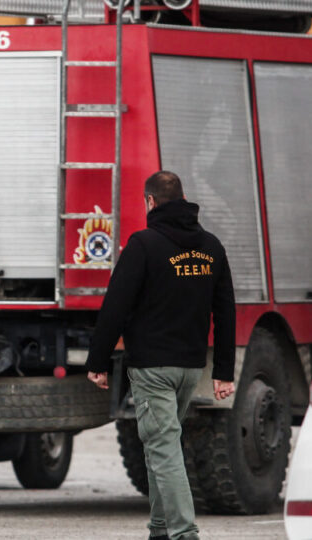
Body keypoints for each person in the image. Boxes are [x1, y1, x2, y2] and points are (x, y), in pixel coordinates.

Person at [86, 171, 236, 540]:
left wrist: (98, 361)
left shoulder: (143, 245)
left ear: (150, 202)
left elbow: (115, 307)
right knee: (162, 444)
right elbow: (225, 312)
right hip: (190, 368)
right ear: (183, 199)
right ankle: (160, 528)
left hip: (152, 367)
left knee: (164, 448)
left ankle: (184, 533)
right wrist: (224, 371)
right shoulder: (211, 248)